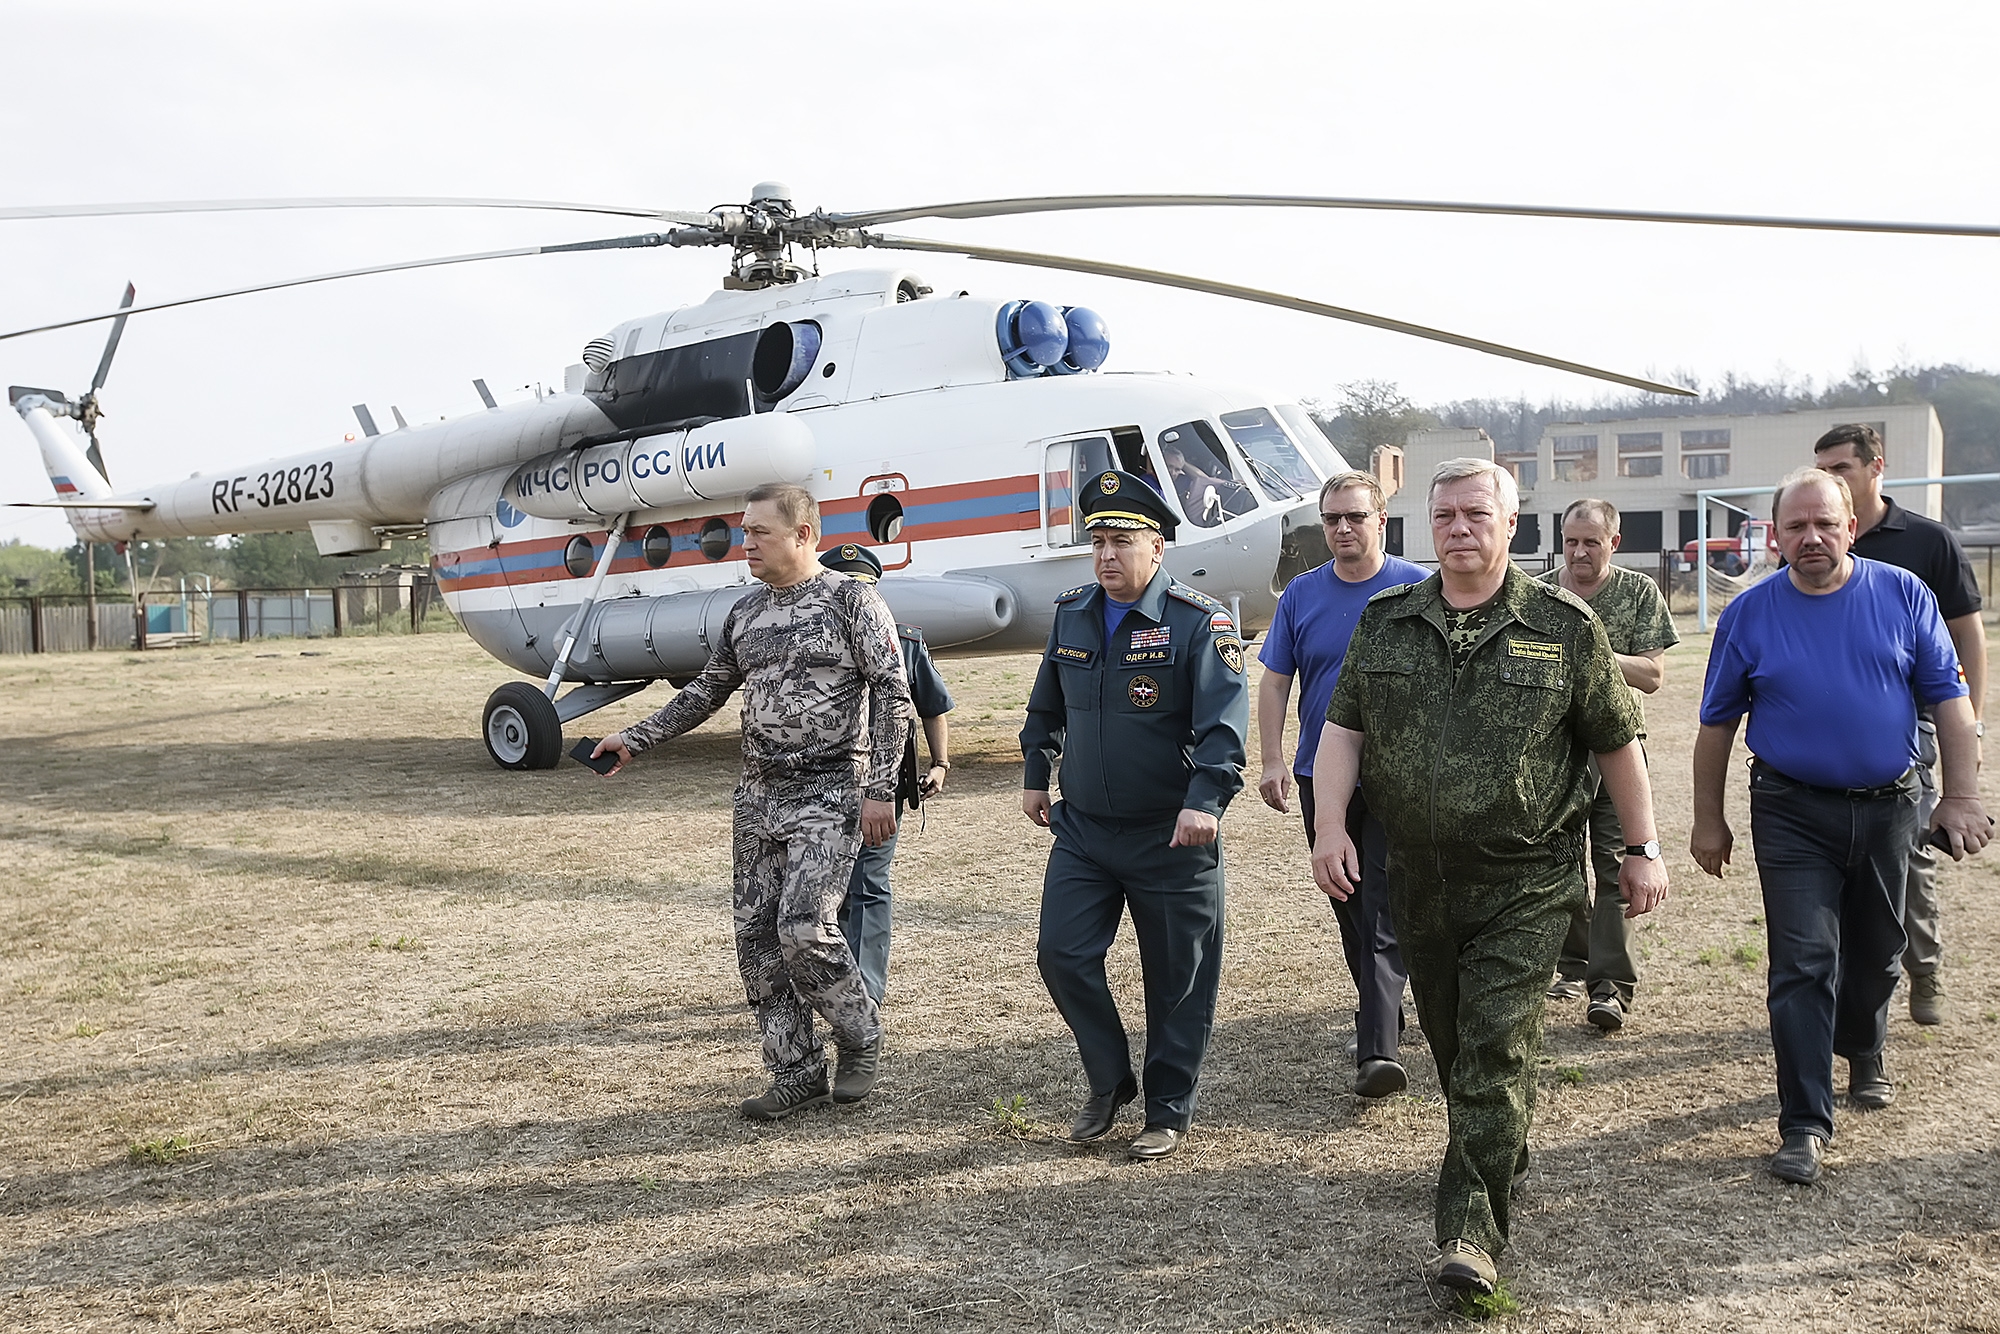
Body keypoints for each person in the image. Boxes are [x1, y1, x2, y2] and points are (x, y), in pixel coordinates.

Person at [1310, 457, 1668, 1296]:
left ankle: (1469, 1233)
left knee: (1496, 1045)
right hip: (1419, 878)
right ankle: (1500, 1144)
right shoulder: (1387, 621)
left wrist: (1642, 849)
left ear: (1513, 525)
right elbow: (1342, 732)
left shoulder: (1565, 625)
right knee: (1449, 1036)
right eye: (1445, 516)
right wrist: (1329, 826)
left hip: (1527, 880)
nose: (1460, 528)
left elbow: (1618, 742)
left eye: (1477, 513)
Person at [1692, 468, 1989, 1186]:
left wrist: (1961, 795)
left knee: (1879, 952)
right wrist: (1708, 820)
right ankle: (1803, 1123)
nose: (1812, 538)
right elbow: (1716, 725)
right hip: (1792, 811)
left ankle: (1865, 1043)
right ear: (1774, 538)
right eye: (1796, 527)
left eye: (1826, 523)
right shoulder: (1750, 614)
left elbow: (1950, 701)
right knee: (1802, 963)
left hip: (1892, 806)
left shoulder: (1902, 593)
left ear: (1851, 527)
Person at [592, 484, 911, 1121]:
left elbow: (894, 699)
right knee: (755, 937)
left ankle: (859, 1035)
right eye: (745, 532)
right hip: (759, 796)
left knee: (804, 928)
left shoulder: (853, 602)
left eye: (760, 532)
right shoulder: (745, 614)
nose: (747, 544)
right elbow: (706, 691)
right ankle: (795, 1072)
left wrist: (879, 791)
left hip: (830, 789)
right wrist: (636, 736)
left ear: (804, 535)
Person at [1021, 468, 1250, 1162]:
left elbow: (1223, 733)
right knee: (1061, 955)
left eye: (1122, 541)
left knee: (1178, 977)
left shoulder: (1197, 621)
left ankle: (1167, 1109)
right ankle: (1108, 1077)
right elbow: (1046, 706)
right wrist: (1038, 774)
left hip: (1170, 835)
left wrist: (1204, 804)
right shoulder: (1073, 612)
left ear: (1158, 546)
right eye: (1098, 543)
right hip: (1085, 830)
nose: (1107, 557)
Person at [1258, 469, 1427, 1096]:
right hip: (1319, 777)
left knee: (1382, 900)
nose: (1343, 529)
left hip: (1397, 778)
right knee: (1347, 900)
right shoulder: (1301, 596)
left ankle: (1377, 1046)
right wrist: (1273, 759)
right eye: (1332, 519)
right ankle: (1384, 1006)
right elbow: (1275, 681)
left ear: (1381, 520)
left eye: (1356, 517)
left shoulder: (1416, 588)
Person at [1813, 423, 1986, 1025]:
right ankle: (1834, 986)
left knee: (1907, 852)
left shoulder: (1927, 543)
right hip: (1830, 729)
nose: (1831, 480)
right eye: (1823, 468)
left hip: (1912, 725)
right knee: (1830, 862)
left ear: (1875, 467)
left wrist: (1974, 726)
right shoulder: (1815, 537)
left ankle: (1925, 969)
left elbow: (1966, 637)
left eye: (1842, 468)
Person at [1539, 499, 1679, 1032]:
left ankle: (1611, 987)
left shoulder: (1638, 592)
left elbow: (1652, 674)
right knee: (1560, 864)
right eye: (1570, 541)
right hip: (1554, 750)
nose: (1578, 552)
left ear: (1613, 543)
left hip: (1619, 752)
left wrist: (1593, 653)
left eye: (1590, 542)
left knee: (1619, 864)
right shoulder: (1543, 595)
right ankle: (1571, 966)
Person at [818, 543, 955, 1004]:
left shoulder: (904, 642)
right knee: (812, 889)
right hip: (816, 787)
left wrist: (940, 764)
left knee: (868, 884)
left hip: (881, 787)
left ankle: (865, 992)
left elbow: (932, 706)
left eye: (865, 590)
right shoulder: (803, 644)